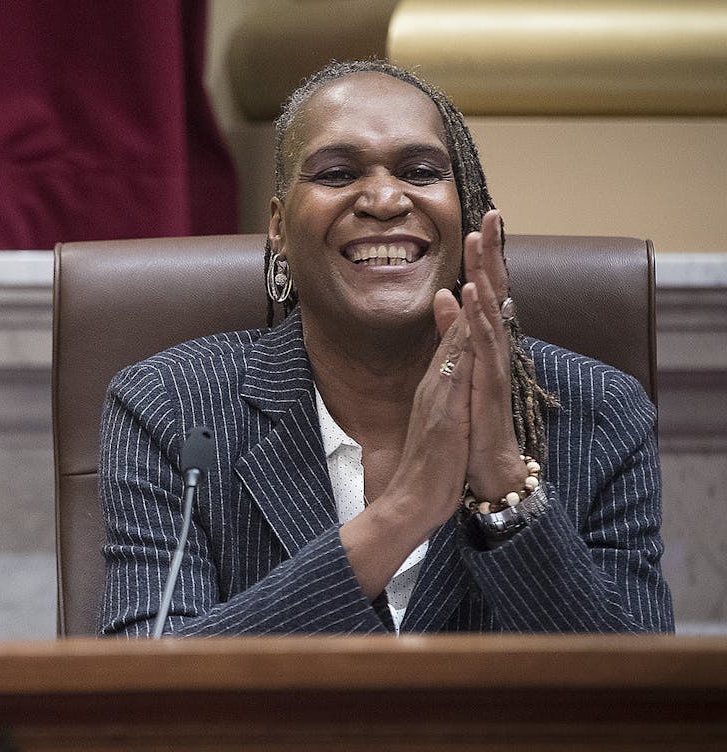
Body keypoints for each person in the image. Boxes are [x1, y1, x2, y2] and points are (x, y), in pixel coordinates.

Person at [98, 60, 673, 636]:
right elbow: (147, 684)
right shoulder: (172, 408)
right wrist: (403, 513)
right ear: (277, 226)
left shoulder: (596, 412)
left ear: (465, 206)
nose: (382, 200)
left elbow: (643, 709)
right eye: (336, 173)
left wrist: (503, 483)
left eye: (420, 172)